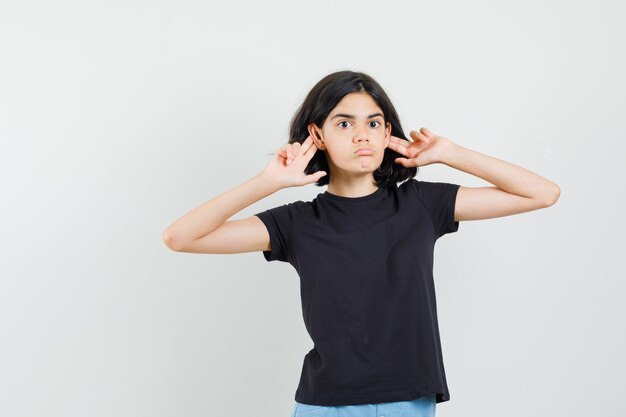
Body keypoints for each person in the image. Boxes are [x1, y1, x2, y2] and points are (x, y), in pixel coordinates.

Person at [162, 70, 560, 417]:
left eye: (373, 123)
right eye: (344, 124)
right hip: (325, 403)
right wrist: (267, 183)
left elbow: (542, 193)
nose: (362, 136)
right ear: (317, 134)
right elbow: (180, 237)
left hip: (409, 400)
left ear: (388, 132)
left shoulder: (422, 204)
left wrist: (451, 154)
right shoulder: (298, 222)